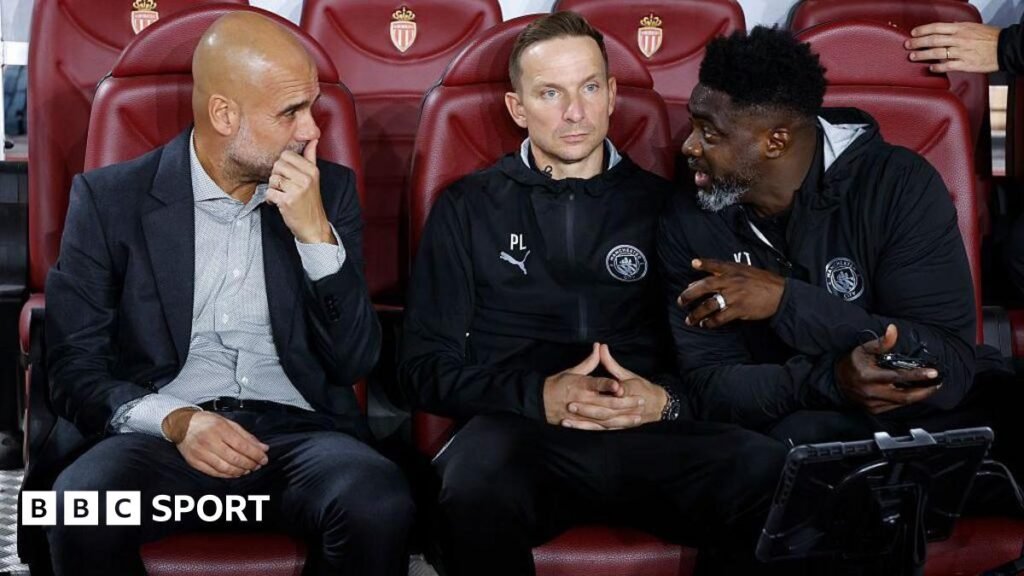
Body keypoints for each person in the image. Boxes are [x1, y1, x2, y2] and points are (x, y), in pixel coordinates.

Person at [400, 12, 786, 576]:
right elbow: (421, 369)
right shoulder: (467, 207)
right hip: (522, 435)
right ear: (517, 108)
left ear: (611, 95)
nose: (575, 113)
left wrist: (665, 401)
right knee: (469, 488)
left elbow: (725, 361)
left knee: (770, 471)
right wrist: (539, 396)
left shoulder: (670, 207)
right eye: (550, 93)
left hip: (649, 431)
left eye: (587, 89)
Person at [35, 12, 413, 576]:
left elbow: (354, 360)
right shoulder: (110, 200)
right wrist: (178, 421)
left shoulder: (327, 192)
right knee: (79, 508)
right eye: (290, 112)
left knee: (378, 502)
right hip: (162, 436)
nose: (312, 130)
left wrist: (315, 236)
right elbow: (72, 368)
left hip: (299, 436)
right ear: (223, 114)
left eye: (312, 108)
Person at [659, 26, 977, 445]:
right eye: (693, 126)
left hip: (916, 423)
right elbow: (709, 386)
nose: (689, 146)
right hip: (785, 434)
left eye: (710, 133)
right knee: (782, 442)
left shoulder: (899, 185)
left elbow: (949, 364)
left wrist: (785, 302)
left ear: (775, 142)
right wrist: (830, 381)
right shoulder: (689, 215)